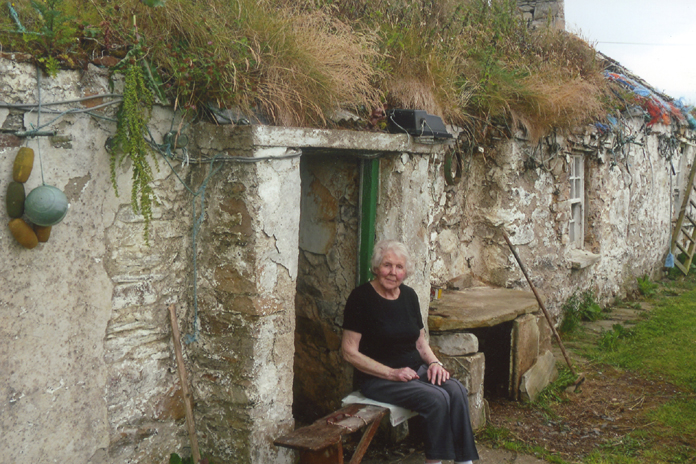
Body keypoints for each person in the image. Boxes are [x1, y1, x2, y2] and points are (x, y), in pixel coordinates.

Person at [341, 239, 479, 464]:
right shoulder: (361, 298)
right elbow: (348, 352)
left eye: (399, 267)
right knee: (436, 398)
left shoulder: (409, 296)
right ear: (376, 267)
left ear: (406, 272)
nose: (392, 272)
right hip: (378, 379)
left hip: (414, 370)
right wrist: (392, 373)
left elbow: (420, 343)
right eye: (387, 265)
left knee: (456, 390)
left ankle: (464, 461)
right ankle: (435, 461)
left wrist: (435, 364)